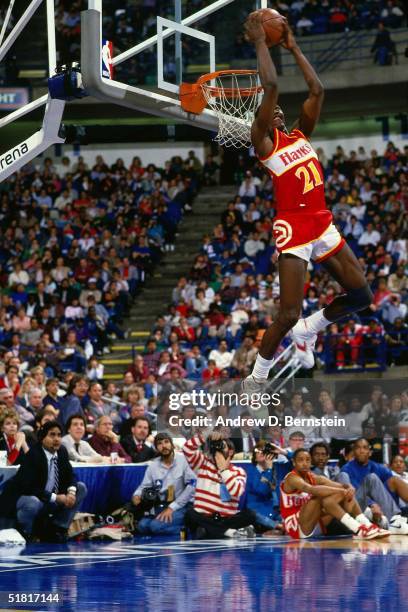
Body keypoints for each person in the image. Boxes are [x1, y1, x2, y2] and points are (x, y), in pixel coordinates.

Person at [242, 13, 374, 390]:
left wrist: (294, 46)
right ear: (265, 120)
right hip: (294, 228)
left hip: (321, 220)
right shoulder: (265, 144)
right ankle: (257, 378)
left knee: (361, 294)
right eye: (273, 112)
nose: (280, 111)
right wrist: (260, 43)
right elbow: (270, 85)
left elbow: (316, 91)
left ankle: (310, 330)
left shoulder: (300, 136)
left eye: (283, 110)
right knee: (286, 313)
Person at [0, 421, 87, 541]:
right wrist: (55, 497)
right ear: (42, 437)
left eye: (59, 435)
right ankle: (26, 532)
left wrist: (71, 492)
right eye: (52, 435)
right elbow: (28, 488)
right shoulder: (33, 455)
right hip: (24, 497)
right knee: (33, 502)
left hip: (48, 496)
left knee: (80, 487)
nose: (56, 439)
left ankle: (59, 527)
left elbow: (71, 475)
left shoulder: (61, 451)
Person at [280, 448, 388, 540]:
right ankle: (358, 529)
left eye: (307, 460)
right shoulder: (292, 478)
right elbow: (312, 489)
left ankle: (366, 525)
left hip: (316, 523)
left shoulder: (314, 477)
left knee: (341, 496)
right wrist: (341, 490)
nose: (304, 463)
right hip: (297, 526)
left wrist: (348, 488)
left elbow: (340, 486)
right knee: (319, 496)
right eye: (300, 460)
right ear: (294, 462)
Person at [183, 431, 256, 538]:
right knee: (190, 514)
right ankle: (228, 532)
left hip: (227, 518)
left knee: (250, 515)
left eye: (222, 446)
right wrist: (205, 436)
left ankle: (210, 531)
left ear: (230, 452)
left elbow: (236, 492)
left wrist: (224, 470)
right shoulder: (203, 463)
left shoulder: (238, 471)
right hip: (204, 516)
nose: (218, 449)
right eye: (216, 446)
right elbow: (187, 449)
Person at [338, 438, 408, 533]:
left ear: (370, 452)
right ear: (354, 451)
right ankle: (393, 521)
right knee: (372, 478)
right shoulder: (347, 468)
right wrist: (372, 504)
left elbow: (390, 487)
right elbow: (352, 492)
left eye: (365, 448)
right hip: (357, 507)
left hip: (379, 508)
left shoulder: (377, 467)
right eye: (358, 448)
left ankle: (394, 519)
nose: (362, 450)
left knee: (394, 480)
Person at [131, 433, 196, 535]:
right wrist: (137, 495)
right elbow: (144, 486)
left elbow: (192, 486)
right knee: (142, 526)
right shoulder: (153, 466)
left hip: (182, 505)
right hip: (161, 505)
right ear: (156, 448)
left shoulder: (183, 460)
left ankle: (190, 529)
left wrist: (172, 508)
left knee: (155, 526)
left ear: (172, 445)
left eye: (166, 442)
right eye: (159, 444)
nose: (164, 446)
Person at [245, 441, 283, 534]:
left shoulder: (277, 470)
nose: (261, 452)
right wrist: (269, 470)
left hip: (276, 517)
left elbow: (295, 459)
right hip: (258, 519)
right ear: (254, 455)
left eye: (264, 451)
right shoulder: (249, 472)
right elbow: (262, 491)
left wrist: (282, 452)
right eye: (258, 451)